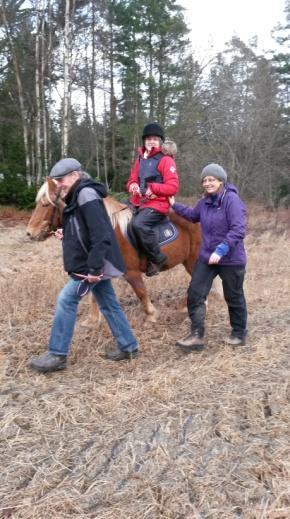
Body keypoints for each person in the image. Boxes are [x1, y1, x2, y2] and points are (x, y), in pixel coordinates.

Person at [29, 158, 138, 373]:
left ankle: (57, 354)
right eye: (57, 180)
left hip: (93, 264)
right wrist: (65, 233)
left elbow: (101, 234)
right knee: (108, 303)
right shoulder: (76, 195)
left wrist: (95, 269)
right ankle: (129, 346)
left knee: (66, 301)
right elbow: (84, 230)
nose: (59, 184)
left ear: (75, 175)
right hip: (92, 261)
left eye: (61, 180)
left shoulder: (85, 194)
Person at [169, 163, 247, 352]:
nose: (207, 183)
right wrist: (174, 205)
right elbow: (193, 215)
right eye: (204, 180)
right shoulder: (205, 202)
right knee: (195, 293)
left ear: (221, 181)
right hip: (207, 258)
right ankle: (197, 335)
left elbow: (238, 229)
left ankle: (238, 333)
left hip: (231, 259)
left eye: (211, 179)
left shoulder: (231, 200)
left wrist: (220, 250)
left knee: (233, 296)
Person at [127, 122, 179, 277]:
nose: (151, 141)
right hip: (137, 202)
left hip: (158, 204)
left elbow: (173, 187)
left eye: (155, 139)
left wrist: (153, 188)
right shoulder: (140, 160)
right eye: (148, 138)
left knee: (139, 224)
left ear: (160, 141)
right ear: (144, 141)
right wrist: (133, 186)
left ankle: (157, 259)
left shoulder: (166, 160)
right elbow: (131, 179)